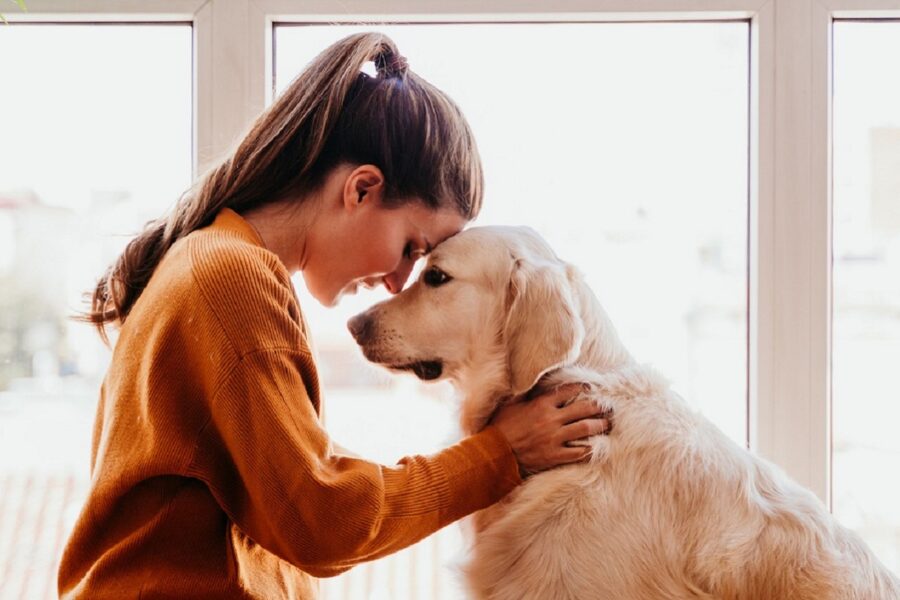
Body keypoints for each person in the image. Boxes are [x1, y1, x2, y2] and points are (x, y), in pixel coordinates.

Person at [57, 32, 610, 598]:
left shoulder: (214, 260)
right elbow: (324, 519)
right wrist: (501, 455)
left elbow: (304, 483)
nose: (398, 282)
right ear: (361, 189)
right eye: (412, 250)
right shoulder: (230, 279)